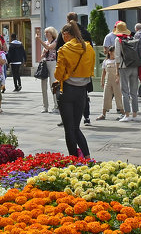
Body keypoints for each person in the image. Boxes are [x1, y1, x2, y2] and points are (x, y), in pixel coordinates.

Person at [53, 22, 94, 157]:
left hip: (67, 91)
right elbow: (90, 70)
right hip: (82, 91)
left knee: (69, 130)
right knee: (76, 128)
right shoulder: (88, 48)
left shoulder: (64, 50)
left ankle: (73, 160)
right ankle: (87, 156)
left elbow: (58, 75)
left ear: (66, 35)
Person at [117, 27, 141, 122]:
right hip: (134, 66)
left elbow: (117, 56)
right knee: (134, 92)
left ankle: (127, 115)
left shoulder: (118, 39)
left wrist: (116, 70)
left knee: (125, 92)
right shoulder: (131, 37)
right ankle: (135, 114)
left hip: (124, 67)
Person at [97, 45, 124, 120]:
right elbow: (103, 72)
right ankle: (103, 114)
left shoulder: (117, 61)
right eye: (114, 52)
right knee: (106, 97)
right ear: (110, 52)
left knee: (118, 97)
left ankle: (123, 113)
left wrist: (118, 78)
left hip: (116, 81)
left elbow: (119, 71)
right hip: (107, 81)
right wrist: (101, 81)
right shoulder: (106, 61)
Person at [37, 26, 57, 113]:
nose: (45, 34)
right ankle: (45, 106)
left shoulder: (55, 41)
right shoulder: (45, 42)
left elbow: (50, 47)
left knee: (53, 85)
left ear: (52, 33)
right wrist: (43, 54)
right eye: (45, 32)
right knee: (43, 86)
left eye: (47, 32)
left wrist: (39, 40)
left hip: (53, 63)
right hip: (45, 63)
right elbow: (42, 55)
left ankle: (56, 105)